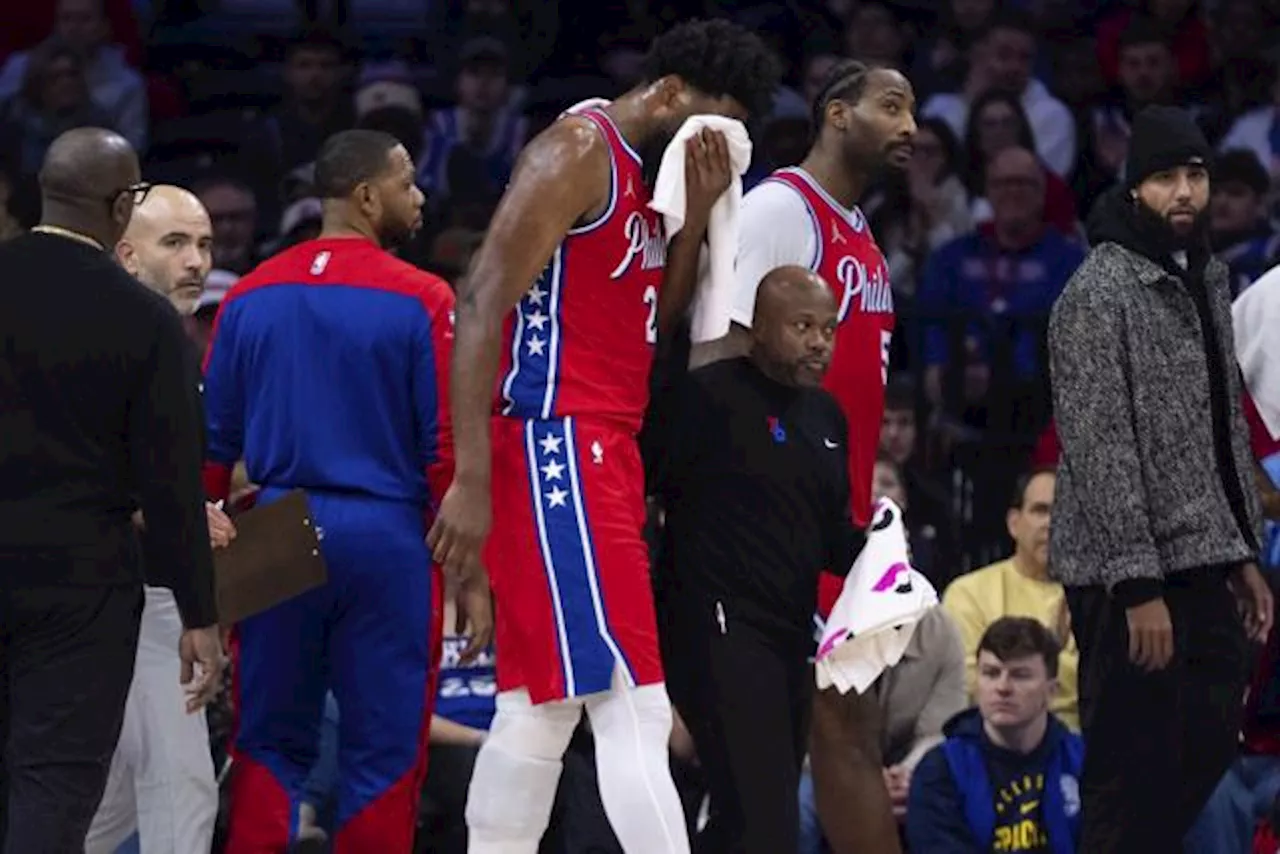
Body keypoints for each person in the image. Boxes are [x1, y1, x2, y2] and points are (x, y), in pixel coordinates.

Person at [426, 18, 781, 853]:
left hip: (606, 445)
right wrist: (471, 479)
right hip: (558, 442)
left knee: (539, 707)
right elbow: (480, 301)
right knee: (635, 703)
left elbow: (659, 321)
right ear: (667, 96)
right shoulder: (577, 151)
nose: (717, 146)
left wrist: (692, 219)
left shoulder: (655, 183)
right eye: (710, 123)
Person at [202, 129, 470, 853]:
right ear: (365, 195)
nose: (419, 198)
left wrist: (202, 552)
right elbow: (444, 447)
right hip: (386, 532)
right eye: (408, 182)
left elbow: (212, 446)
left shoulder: (249, 295)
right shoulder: (423, 295)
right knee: (383, 750)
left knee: (266, 739)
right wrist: (469, 567)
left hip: (276, 522)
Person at [694, 58, 917, 854]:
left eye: (914, 111)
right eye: (891, 107)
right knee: (831, 737)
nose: (910, 128)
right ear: (833, 113)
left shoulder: (860, 235)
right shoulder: (780, 211)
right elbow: (718, 354)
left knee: (835, 736)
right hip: (778, 525)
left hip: (840, 523)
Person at [1048, 104, 1273, 853]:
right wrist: (1137, 587)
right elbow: (1101, 447)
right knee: (1126, 769)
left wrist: (1242, 550)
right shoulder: (1095, 293)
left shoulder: (1206, 275)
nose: (1184, 192)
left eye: (1197, 176)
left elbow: (1223, 428)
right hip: (1125, 574)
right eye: (1166, 178)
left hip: (1205, 554)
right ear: (1135, 188)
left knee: (1209, 742)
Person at [0, 128, 221, 851]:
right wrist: (199, 611)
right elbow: (170, 483)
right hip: (80, 588)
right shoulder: (145, 319)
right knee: (54, 784)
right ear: (124, 204)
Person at [655, 266, 865, 852]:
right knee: (765, 817)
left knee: (746, 818)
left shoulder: (827, 418)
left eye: (829, 329)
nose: (819, 341)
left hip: (790, 634)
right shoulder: (707, 398)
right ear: (759, 328)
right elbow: (647, 499)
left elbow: (830, 538)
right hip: (717, 628)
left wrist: (884, 552)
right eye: (803, 326)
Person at [85, 185, 236, 854]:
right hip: (112, 599)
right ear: (126, 255)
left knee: (105, 805)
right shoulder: (99, 344)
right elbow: (63, 464)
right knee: (180, 789)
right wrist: (166, 507)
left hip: (146, 597)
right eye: (174, 243)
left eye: (203, 244)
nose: (196, 261)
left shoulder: (172, 344)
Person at [906, 617, 1084, 854]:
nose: (1002, 687)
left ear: (1051, 690)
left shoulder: (1084, 761)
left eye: (1020, 675)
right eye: (991, 673)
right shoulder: (940, 770)